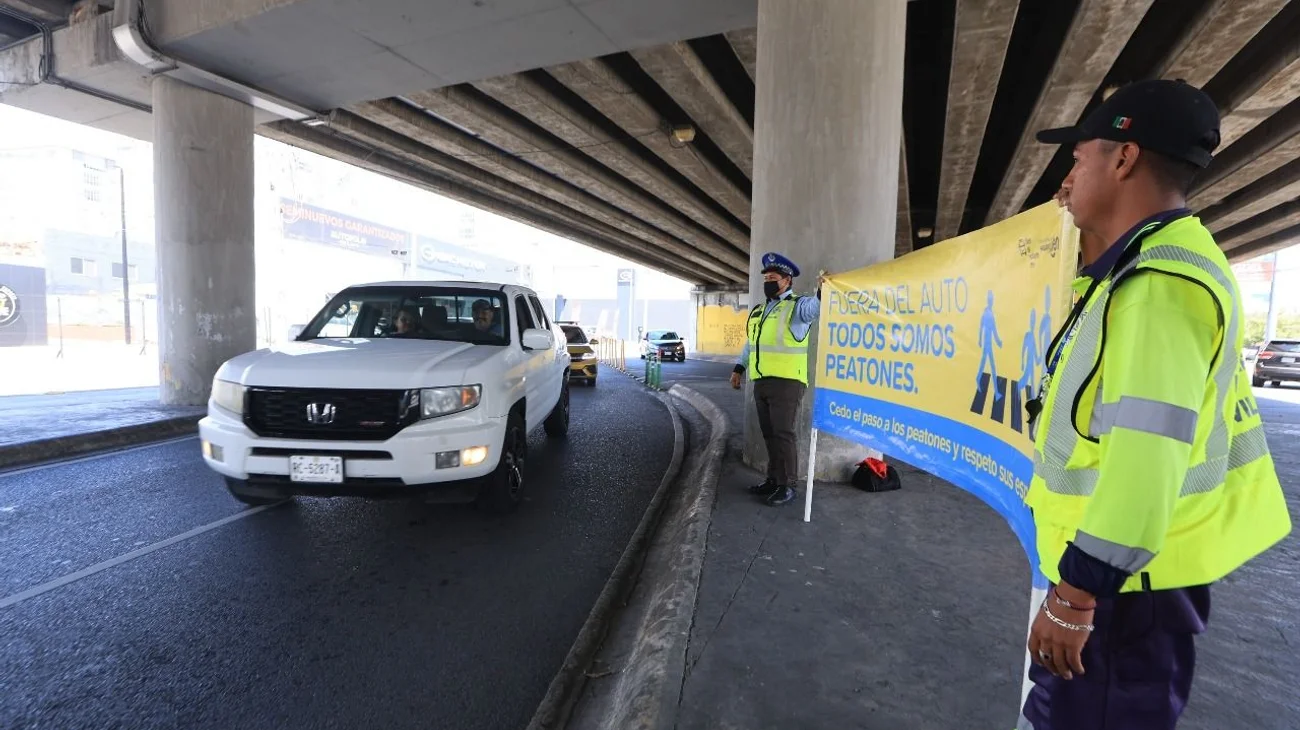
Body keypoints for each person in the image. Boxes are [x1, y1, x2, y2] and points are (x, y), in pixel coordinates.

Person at [1020, 78, 1291, 729]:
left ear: (1123, 158)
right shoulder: (1147, 267)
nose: (1069, 175)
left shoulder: (1159, 287)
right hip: (1129, 583)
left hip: (1122, 594)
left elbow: (1144, 461)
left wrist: (1077, 596)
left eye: (1079, 158)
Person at [730, 252, 820, 507]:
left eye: (774, 278)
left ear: (787, 281)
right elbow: (752, 343)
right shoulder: (760, 311)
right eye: (767, 277)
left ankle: (788, 485)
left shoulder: (797, 307)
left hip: (787, 382)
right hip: (762, 381)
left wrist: (823, 291)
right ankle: (773, 479)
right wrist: (739, 368)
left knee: (783, 434)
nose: (768, 281)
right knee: (769, 434)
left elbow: (816, 307)